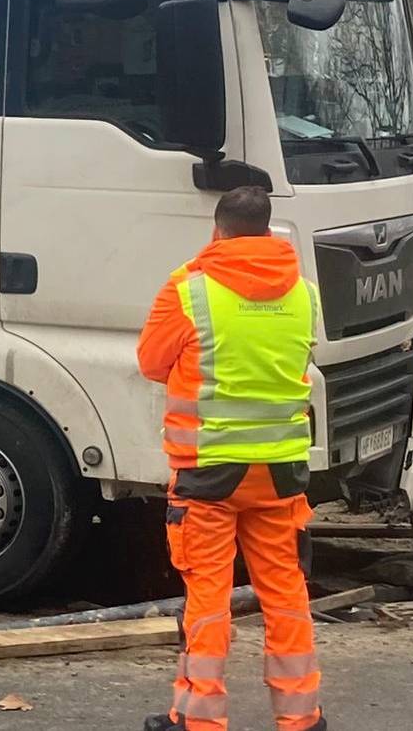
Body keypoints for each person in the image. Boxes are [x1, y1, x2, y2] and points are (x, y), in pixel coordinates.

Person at [136, 187, 327, 731]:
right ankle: (301, 716)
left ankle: (198, 719)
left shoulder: (189, 289)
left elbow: (151, 361)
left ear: (217, 230)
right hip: (281, 472)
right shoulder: (304, 293)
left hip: (209, 472)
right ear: (268, 231)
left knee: (209, 600)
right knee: (286, 594)